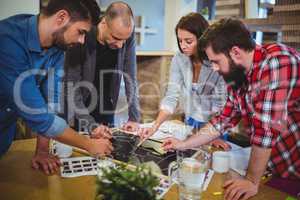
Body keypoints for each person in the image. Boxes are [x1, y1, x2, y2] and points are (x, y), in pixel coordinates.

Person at [162, 18, 300, 200]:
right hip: (275, 165)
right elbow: (223, 120)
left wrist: (251, 180)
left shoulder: (277, 62)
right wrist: (184, 144)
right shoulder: (238, 74)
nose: (213, 68)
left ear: (235, 52)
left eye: (216, 61)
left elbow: (265, 130)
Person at [0, 0, 113, 175]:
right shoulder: (7, 41)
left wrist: (43, 151)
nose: (82, 41)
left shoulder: (58, 48)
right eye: (81, 32)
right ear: (61, 17)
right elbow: (39, 115)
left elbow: (51, 102)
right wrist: (89, 144)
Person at [138, 13, 229, 150]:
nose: (183, 46)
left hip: (215, 125)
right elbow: (171, 97)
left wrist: (214, 135)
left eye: (188, 41)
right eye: (180, 41)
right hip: (190, 120)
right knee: (189, 157)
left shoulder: (216, 60)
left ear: (202, 38)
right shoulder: (179, 59)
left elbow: (221, 104)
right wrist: (154, 126)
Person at [63, 1, 140, 133]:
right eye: (116, 38)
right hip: (80, 105)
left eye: (124, 40)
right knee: (82, 148)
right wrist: (91, 125)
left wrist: (134, 117)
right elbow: (71, 86)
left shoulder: (126, 34)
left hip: (107, 103)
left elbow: (130, 78)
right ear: (104, 23)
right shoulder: (82, 35)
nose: (121, 45)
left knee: (107, 148)